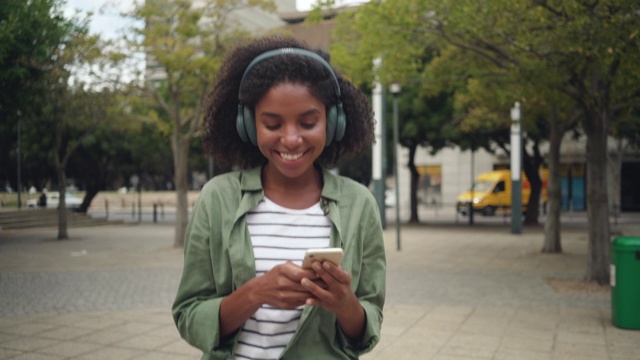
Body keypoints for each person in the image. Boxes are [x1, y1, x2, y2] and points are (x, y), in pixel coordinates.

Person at [172, 35, 386, 360]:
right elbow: (189, 315)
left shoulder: (359, 204)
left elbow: (366, 329)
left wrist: (346, 304)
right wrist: (255, 292)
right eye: (272, 124)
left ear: (334, 122)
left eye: (308, 122)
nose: (290, 139)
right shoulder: (217, 198)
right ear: (247, 124)